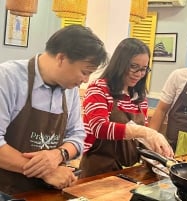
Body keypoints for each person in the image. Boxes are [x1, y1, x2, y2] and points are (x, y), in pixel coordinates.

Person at [0, 25, 108, 194]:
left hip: (47, 191)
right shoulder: (8, 78)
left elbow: (78, 135)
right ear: (61, 58)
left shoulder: (69, 89)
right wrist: (47, 171)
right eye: (84, 72)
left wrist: (59, 154)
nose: (86, 80)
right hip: (6, 190)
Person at [79, 38, 173, 178]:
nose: (139, 74)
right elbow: (99, 127)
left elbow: (140, 138)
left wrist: (157, 147)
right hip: (98, 171)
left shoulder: (138, 97)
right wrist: (145, 132)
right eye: (133, 66)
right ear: (120, 63)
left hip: (127, 172)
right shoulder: (99, 89)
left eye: (143, 69)